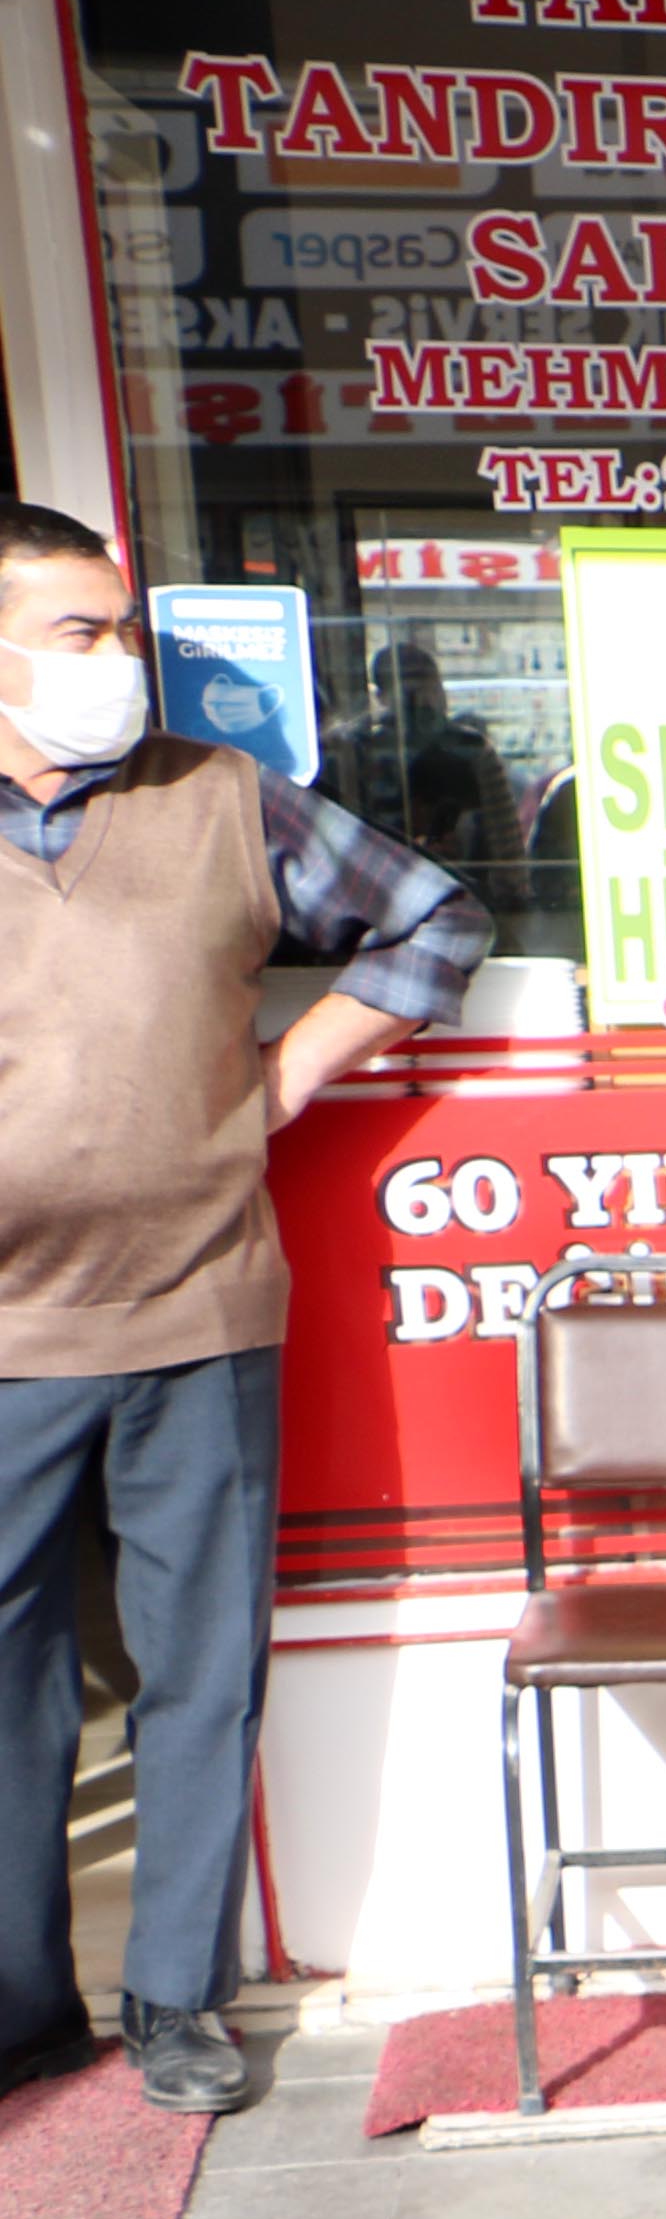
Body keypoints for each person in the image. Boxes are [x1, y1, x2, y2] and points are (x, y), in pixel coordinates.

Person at [0, 503, 480, 2116]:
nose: (117, 661)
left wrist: (288, 1075)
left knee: (201, 1670)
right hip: (5, 1340)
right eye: (79, 634)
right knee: (12, 1685)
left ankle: (177, 2001)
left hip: (200, 1307)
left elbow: (435, 919)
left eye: (122, 630)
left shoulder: (218, 798)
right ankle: (22, 2006)